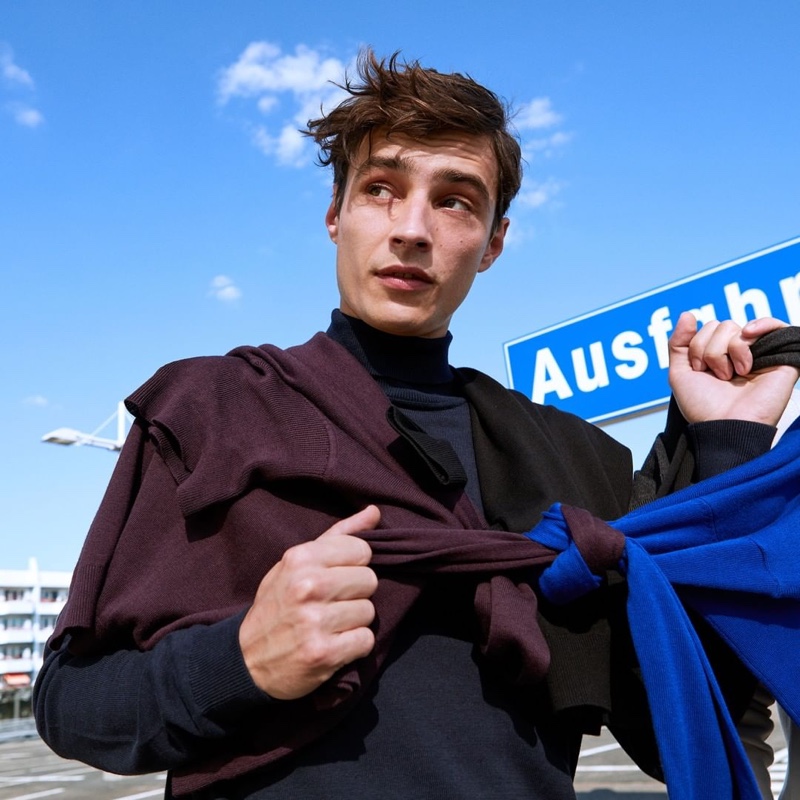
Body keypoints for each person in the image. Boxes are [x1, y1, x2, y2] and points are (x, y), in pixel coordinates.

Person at [33, 50, 798, 800]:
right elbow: (72, 703)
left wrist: (728, 444)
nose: (412, 229)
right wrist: (240, 660)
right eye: (381, 190)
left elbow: (691, 729)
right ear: (336, 216)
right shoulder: (211, 410)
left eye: (456, 200)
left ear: (493, 242)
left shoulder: (575, 461)